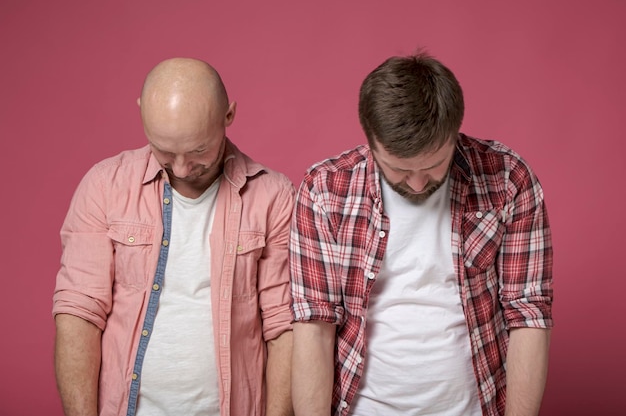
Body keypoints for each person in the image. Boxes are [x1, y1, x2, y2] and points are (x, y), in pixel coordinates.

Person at [290, 51, 553, 416]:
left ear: (455, 133)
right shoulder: (324, 190)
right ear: (371, 141)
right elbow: (314, 325)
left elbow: (528, 316)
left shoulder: (508, 179)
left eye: (433, 165)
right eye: (398, 169)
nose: (416, 183)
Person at [53, 58, 295, 416]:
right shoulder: (104, 186)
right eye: (164, 150)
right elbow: (78, 315)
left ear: (228, 116)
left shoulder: (274, 197)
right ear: (141, 114)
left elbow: (284, 329)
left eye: (199, 150)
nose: (181, 168)